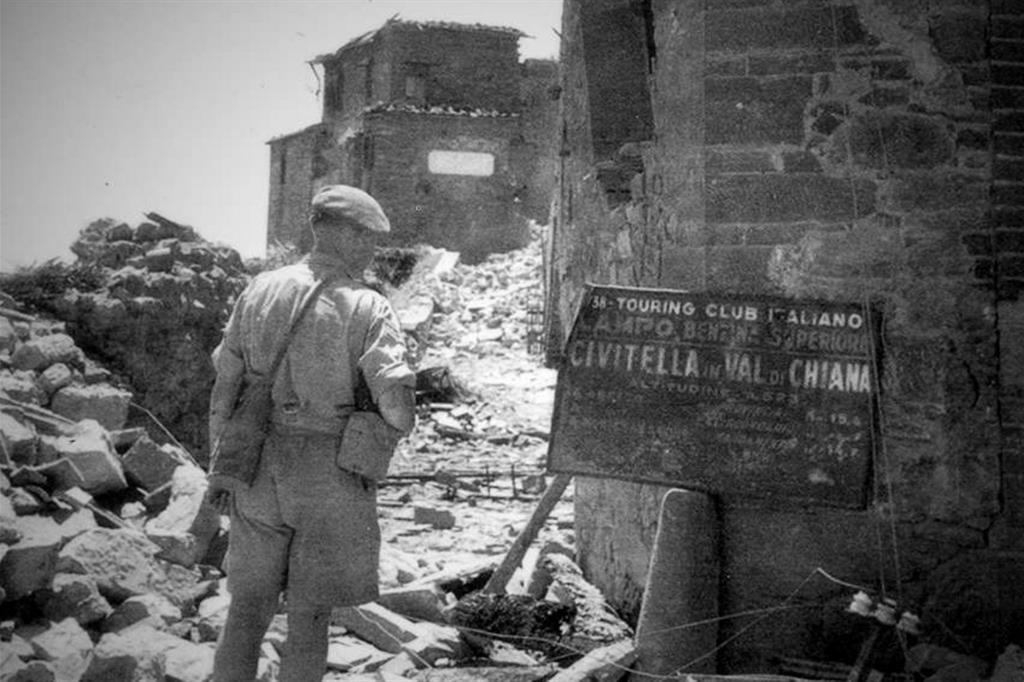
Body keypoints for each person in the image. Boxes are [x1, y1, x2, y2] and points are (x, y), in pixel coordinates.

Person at [206, 185, 416, 682]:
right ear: (341, 234)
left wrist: (223, 468)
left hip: (256, 466)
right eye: (365, 238)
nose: (371, 251)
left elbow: (224, 391)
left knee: (247, 609)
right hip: (330, 473)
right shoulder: (368, 305)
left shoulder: (258, 290)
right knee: (310, 614)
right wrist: (391, 419)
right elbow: (399, 409)